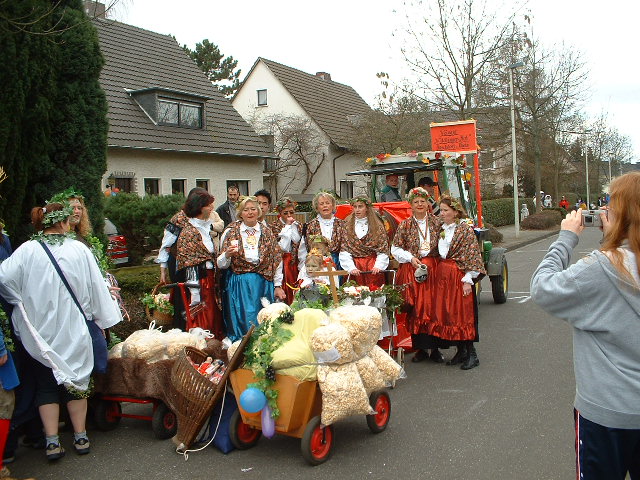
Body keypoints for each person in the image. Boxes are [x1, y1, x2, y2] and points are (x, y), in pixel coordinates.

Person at [530, 172, 640, 480]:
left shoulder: (602, 267)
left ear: (620, 215)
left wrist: (566, 238)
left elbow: (543, 288)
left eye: (610, 206)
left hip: (606, 414)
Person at [0, 202, 122, 461]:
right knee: (77, 384)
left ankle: (52, 442)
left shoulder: (27, 250)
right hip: (75, 329)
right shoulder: (78, 249)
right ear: (65, 222)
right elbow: (96, 286)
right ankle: (80, 436)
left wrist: (21, 302)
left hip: (40, 331)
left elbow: (4, 278)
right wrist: (104, 317)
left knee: (46, 385)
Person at [429, 196, 486, 370]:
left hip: (459, 276)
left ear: (455, 212)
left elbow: (472, 255)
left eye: (445, 210)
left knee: (463, 315)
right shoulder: (441, 228)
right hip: (444, 276)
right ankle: (461, 351)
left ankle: (472, 354)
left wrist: (468, 279)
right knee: (450, 314)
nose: (442, 213)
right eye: (441, 210)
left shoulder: (465, 230)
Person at [390, 187, 443, 363]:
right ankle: (420, 348)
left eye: (423, 201)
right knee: (417, 309)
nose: (420, 204)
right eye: (416, 202)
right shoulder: (405, 225)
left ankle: (435, 349)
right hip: (413, 270)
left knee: (434, 308)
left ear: (428, 204)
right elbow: (395, 248)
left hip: (434, 270)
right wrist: (410, 258)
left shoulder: (437, 223)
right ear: (411, 205)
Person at [217, 196, 281, 341]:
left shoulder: (267, 232)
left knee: (263, 319)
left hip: (263, 283)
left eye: (253, 209)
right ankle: (240, 346)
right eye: (246, 210)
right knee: (244, 319)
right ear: (240, 213)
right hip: (240, 285)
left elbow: (277, 260)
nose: (250, 212)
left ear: (258, 211)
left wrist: (278, 285)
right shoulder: (231, 232)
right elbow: (221, 264)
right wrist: (227, 255)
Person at [157, 187, 208, 329]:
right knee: (182, 295)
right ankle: (182, 327)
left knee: (199, 296)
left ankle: (199, 325)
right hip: (179, 263)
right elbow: (166, 244)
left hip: (198, 265)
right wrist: (163, 269)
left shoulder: (202, 219)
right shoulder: (178, 219)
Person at [174, 190, 223, 337]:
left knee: (213, 316)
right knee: (202, 316)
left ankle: (213, 343)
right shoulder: (189, 232)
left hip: (210, 279)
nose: (212, 208)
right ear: (200, 208)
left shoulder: (204, 227)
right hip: (200, 282)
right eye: (208, 205)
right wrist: (195, 293)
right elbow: (190, 263)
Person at [339, 196, 389, 290]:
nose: (357, 210)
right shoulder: (347, 225)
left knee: (374, 292)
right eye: (355, 207)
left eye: (360, 206)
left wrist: (378, 266)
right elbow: (344, 249)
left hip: (372, 266)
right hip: (355, 266)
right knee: (354, 292)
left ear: (367, 208)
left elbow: (383, 249)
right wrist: (351, 267)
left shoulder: (377, 226)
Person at [298, 192, 347, 286]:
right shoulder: (310, 226)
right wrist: (304, 267)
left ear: (333, 206)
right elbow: (303, 249)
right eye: (321, 204)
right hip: (316, 265)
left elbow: (347, 247)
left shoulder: (342, 224)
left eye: (327, 203)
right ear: (317, 207)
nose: (325, 206)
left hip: (339, 263)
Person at [270, 197, 301, 304]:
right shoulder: (273, 227)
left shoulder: (298, 225)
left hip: (296, 262)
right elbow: (282, 247)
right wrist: (287, 226)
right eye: (285, 213)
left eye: (291, 212)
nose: (289, 215)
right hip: (282, 264)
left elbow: (299, 242)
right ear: (280, 213)